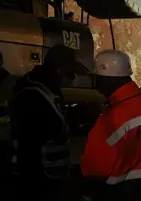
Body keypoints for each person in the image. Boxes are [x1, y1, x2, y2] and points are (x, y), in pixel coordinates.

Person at [80, 49, 141, 201]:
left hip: (123, 193)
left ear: (105, 79)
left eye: (97, 79)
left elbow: (94, 170)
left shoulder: (110, 120)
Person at [9, 45, 88, 200]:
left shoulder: (48, 90)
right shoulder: (33, 96)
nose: (73, 79)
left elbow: (50, 128)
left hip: (49, 179)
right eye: (71, 74)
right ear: (59, 70)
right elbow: (28, 148)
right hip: (37, 183)